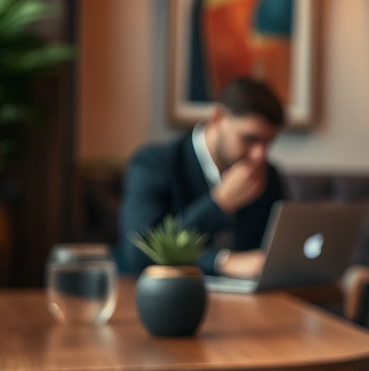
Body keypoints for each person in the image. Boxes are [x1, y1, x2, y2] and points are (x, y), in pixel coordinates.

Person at [118, 77, 285, 279]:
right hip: (169, 298)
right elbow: (141, 253)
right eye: (249, 138)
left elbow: (273, 252)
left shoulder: (268, 175)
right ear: (218, 118)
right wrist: (219, 204)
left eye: (268, 142)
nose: (259, 155)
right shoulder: (153, 164)